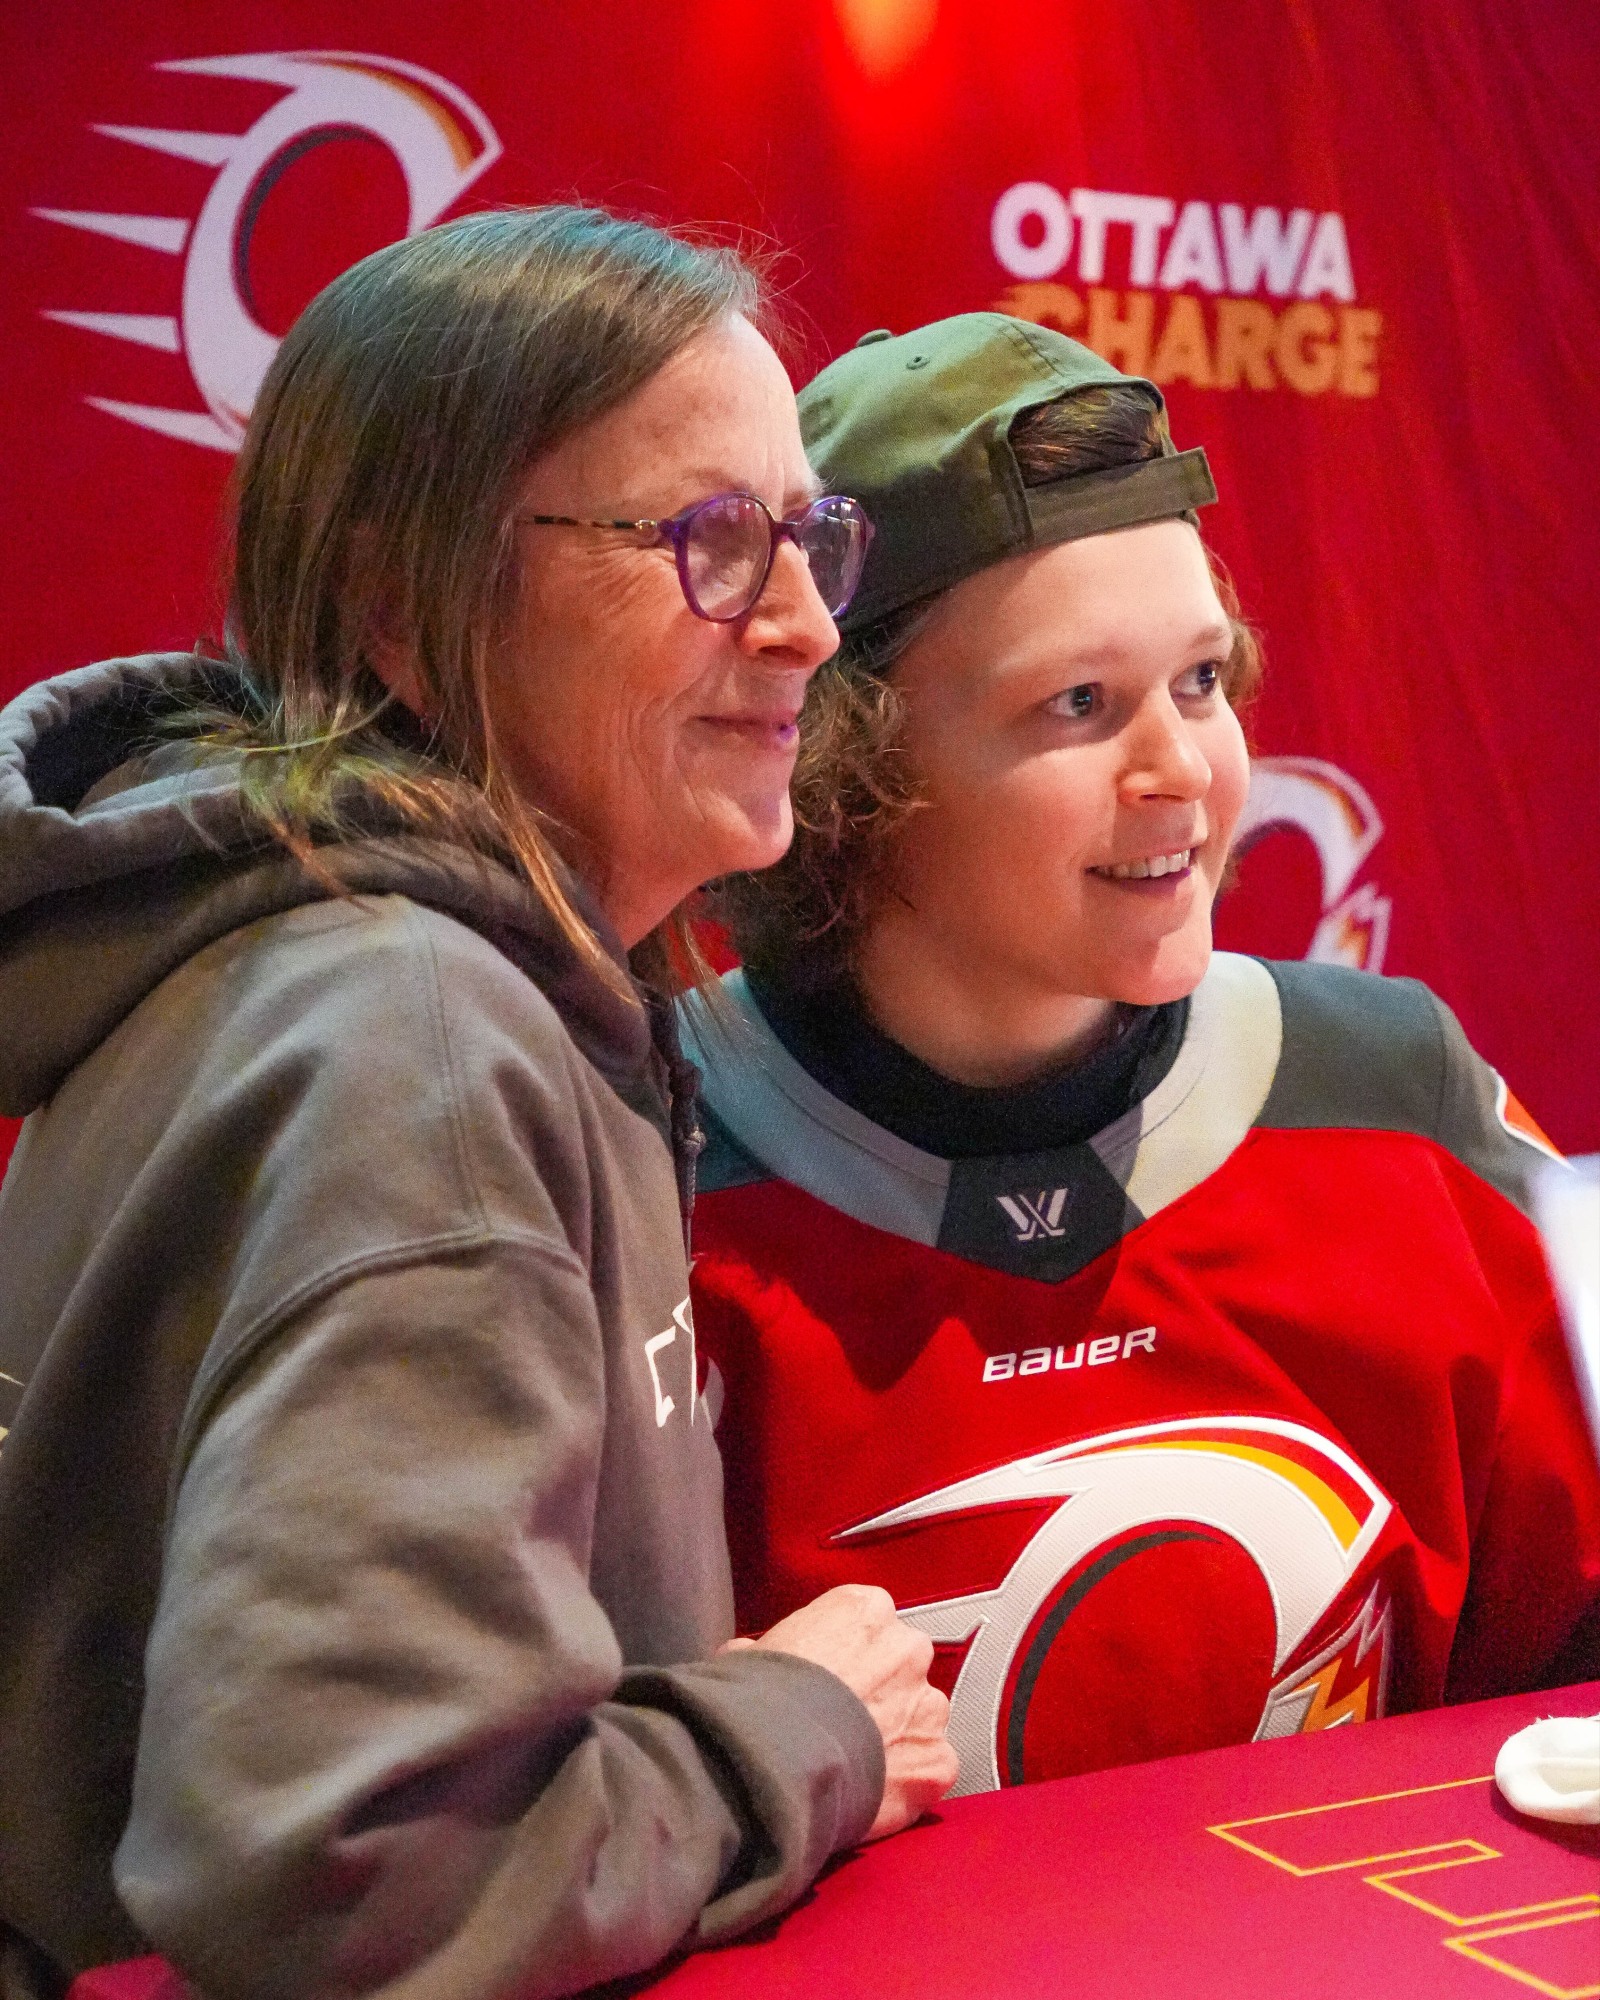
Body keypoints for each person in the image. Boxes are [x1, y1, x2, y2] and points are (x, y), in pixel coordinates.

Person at [0, 207, 957, 2000]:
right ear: (404, 609)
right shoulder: (419, 1047)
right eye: (710, 542)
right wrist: (798, 1728)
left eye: (809, 536)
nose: (809, 626)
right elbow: (366, 1878)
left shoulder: (347, 970)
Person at [683, 313, 1600, 1797]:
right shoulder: (640, 1159)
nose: (1184, 769)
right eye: (1080, 704)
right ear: (842, 760)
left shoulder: (1394, 1094)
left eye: (1203, 681)